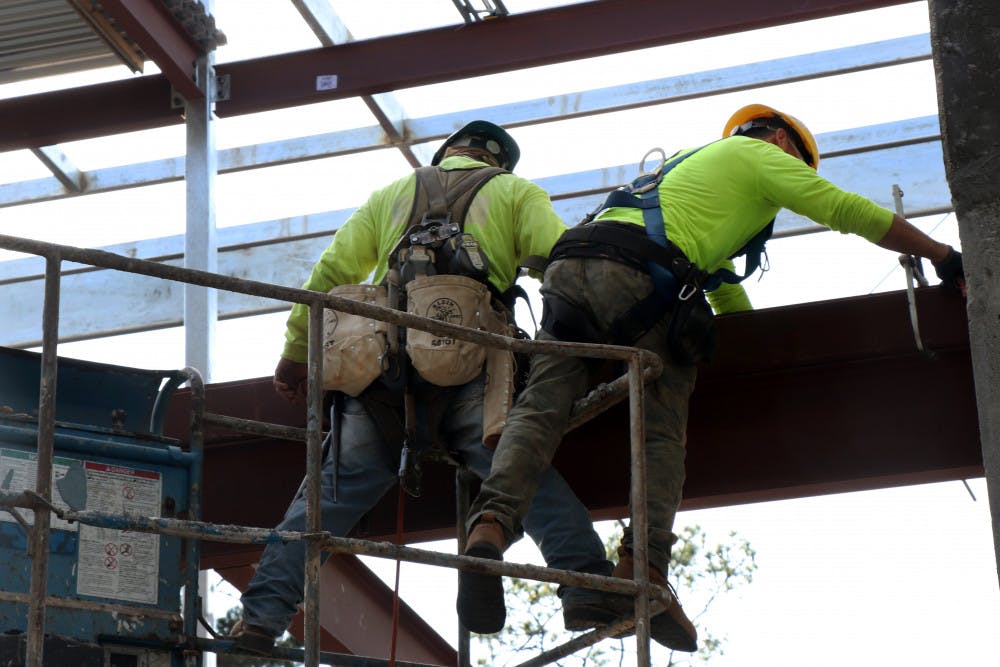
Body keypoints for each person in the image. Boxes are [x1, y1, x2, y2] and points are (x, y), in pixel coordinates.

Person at [457, 104, 966, 652]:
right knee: (658, 429)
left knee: (540, 408)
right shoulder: (758, 155)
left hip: (571, 267)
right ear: (779, 139)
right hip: (638, 276)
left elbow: (724, 292)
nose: (797, 174)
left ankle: (490, 522)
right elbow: (845, 210)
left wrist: (751, 341)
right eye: (799, 163)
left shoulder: (682, 171)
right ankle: (645, 569)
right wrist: (942, 255)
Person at [228, 120, 614, 654]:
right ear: (497, 161)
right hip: (473, 363)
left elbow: (330, 274)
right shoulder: (514, 191)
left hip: (381, 370)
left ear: (447, 153)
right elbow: (560, 262)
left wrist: (297, 354)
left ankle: (260, 622)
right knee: (521, 476)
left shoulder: (392, 195)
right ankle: (586, 584)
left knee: (320, 507)